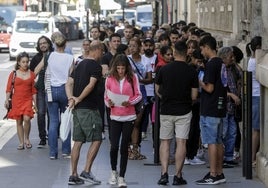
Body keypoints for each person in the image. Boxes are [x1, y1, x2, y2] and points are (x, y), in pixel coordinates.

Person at [155, 41, 198, 185]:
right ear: (186, 53)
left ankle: (164, 173)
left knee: (165, 142)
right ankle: (177, 175)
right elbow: (194, 95)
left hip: (166, 110)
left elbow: (158, 90)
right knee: (181, 142)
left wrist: (166, 98)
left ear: (173, 52)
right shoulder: (191, 71)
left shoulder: (164, 69)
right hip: (184, 111)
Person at [66, 40, 104, 185]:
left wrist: (71, 99)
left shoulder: (80, 64)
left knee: (78, 141)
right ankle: (86, 170)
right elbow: (91, 84)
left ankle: (73, 175)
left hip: (77, 109)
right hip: (89, 109)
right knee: (97, 138)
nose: (103, 54)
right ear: (98, 49)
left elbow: (68, 83)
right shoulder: (96, 66)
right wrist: (78, 98)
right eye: (102, 51)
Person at [104, 54, 142, 187]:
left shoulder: (133, 78)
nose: (120, 71)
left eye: (123, 68)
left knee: (124, 147)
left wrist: (130, 102)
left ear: (127, 68)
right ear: (115, 67)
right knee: (114, 146)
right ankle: (113, 171)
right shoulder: (109, 78)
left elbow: (139, 95)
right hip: (115, 116)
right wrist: (109, 103)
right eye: (118, 68)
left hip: (129, 116)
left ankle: (122, 176)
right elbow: (105, 96)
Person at [35, 34, 74, 159]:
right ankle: (66, 150)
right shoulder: (70, 58)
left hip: (51, 90)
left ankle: (53, 152)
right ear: (65, 44)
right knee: (66, 120)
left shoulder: (49, 56)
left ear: (54, 44)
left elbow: (36, 70)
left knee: (53, 121)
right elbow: (71, 78)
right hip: (65, 90)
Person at [196, 35, 227, 185]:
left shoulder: (211, 64)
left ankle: (213, 174)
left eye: (202, 49)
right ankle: (219, 172)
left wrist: (199, 82)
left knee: (211, 142)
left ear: (207, 48)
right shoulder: (221, 63)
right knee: (219, 141)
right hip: (220, 107)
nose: (201, 53)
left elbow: (209, 88)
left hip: (210, 108)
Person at [5, 52, 37, 150]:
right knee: (19, 122)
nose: (25, 64)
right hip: (16, 100)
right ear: (19, 62)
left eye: (27, 62)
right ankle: (21, 142)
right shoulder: (13, 74)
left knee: (27, 119)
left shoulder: (31, 74)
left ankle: (27, 138)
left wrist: (35, 103)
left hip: (27, 100)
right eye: (23, 62)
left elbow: (34, 90)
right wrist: (7, 100)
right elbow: (9, 88)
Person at [128, 36, 152, 160]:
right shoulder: (126, 60)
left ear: (139, 46)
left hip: (141, 91)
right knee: (128, 121)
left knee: (137, 121)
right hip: (128, 91)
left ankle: (135, 148)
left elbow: (150, 79)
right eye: (130, 46)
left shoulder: (145, 61)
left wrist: (138, 80)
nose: (132, 48)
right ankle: (128, 149)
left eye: (134, 45)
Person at [217, 47, 241, 167]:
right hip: (224, 106)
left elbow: (242, 75)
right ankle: (221, 157)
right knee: (224, 132)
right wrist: (231, 95)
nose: (233, 59)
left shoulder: (232, 68)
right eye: (230, 57)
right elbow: (218, 89)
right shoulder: (220, 69)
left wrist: (234, 63)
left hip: (232, 107)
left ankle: (228, 156)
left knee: (232, 132)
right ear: (224, 58)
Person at [30, 35, 54, 148]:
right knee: (40, 114)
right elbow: (31, 74)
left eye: (44, 43)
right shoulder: (36, 58)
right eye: (40, 44)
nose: (43, 45)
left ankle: (51, 135)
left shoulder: (54, 56)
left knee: (51, 114)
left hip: (52, 88)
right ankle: (42, 138)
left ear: (49, 43)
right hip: (40, 89)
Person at [246, 36, 262, 167]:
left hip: (255, 96)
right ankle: (251, 158)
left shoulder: (252, 60)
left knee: (256, 129)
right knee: (256, 129)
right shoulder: (255, 62)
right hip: (256, 97)